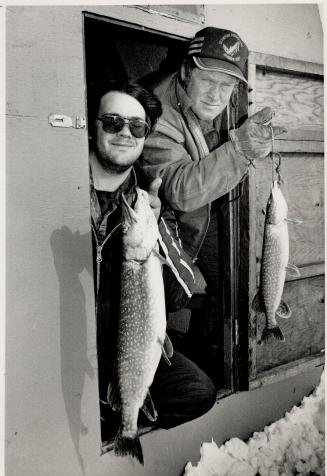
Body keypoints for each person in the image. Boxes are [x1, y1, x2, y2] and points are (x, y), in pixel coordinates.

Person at [140, 26, 286, 378]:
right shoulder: (156, 111)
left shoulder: (220, 101)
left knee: (229, 285)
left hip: (210, 210)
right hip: (167, 223)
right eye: (208, 80)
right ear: (187, 71)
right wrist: (240, 150)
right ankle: (165, 372)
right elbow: (180, 190)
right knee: (173, 296)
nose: (216, 95)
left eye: (227, 85)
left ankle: (204, 352)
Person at [88, 80, 216, 443]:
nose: (125, 133)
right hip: (74, 346)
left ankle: (118, 419)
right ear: (93, 126)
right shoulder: (62, 188)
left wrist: (158, 228)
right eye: (113, 122)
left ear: (145, 135)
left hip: (131, 344)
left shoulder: (149, 201)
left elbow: (181, 294)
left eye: (137, 126)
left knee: (197, 391)